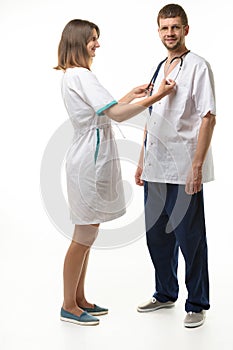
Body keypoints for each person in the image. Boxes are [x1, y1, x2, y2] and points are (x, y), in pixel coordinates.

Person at [54, 19, 175, 326]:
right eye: (93, 39)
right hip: (87, 161)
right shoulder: (81, 74)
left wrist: (131, 95)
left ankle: (79, 298)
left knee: (88, 233)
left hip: (86, 154)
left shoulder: (74, 75)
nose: (97, 44)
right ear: (79, 41)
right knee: (84, 235)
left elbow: (104, 109)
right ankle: (69, 304)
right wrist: (156, 97)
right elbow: (116, 115)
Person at [135, 4, 216, 328]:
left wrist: (196, 166)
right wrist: (141, 160)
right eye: (164, 28)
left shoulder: (198, 66)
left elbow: (208, 117)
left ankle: (196, 303)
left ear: (186, 29)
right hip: (155, 167)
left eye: (175, 27)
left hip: (182, 167)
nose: (170, 33)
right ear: (158, 31)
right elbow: (151, 115)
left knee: (190, 239)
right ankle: (165, 293)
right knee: (157, 236)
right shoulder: (160, 67)